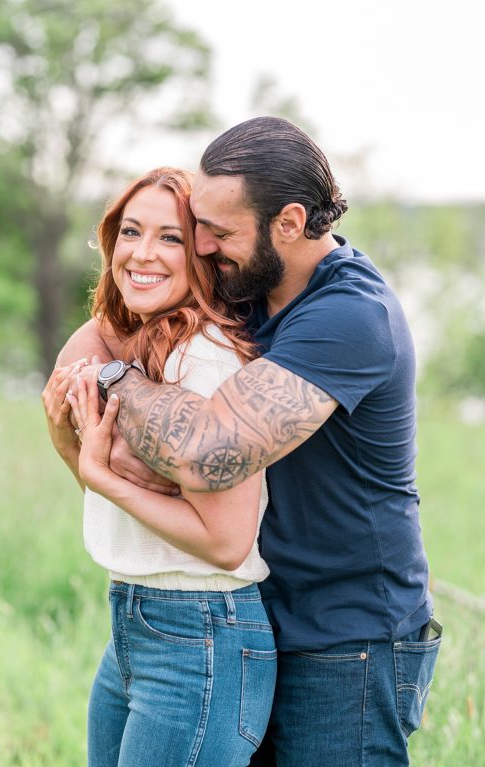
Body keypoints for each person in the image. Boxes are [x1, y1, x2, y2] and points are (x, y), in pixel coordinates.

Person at [55, 117, 440, 766]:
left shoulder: (350, 316)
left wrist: (112, 379)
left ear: (288, 223)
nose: (202, 246)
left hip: (347, 636)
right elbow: (107, 327)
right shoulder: (245, 288)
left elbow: (206, 454)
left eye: (217, 231)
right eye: (197, 225)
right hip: (250, 610)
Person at [42, 167, 277, 766]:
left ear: (203, 254)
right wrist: (69, 444)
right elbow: (111, 498)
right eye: (130, 231)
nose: (141, 253)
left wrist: (103, 475)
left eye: (170, 237)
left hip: (199, 632)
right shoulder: (137, 347)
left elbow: (226, 542)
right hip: (132, 621)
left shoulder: (208, 361)